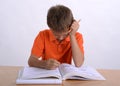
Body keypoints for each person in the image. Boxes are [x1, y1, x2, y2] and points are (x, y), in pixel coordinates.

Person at [28, 5, 84, 70]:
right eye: (56, 35)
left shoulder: (76, 36)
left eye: (65, 34)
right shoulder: (42, 35)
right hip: (46, 73)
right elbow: (31, 61)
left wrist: (72, 35)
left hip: (65, 76)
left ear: (71, 26)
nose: (60, 38)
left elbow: (78, 63)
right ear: (50, 27)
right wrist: (44, 64)